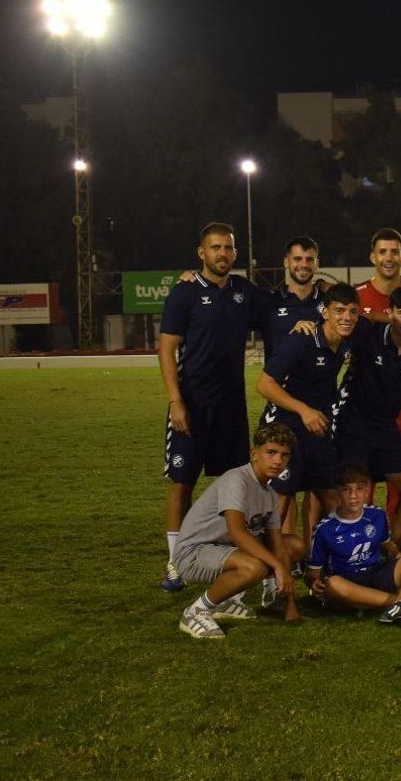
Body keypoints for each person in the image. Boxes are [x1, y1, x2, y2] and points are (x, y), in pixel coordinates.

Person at [157, 222, 266, 591]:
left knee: (234, 486)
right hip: (191, 405)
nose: (223, 253)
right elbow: (166, 348)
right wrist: (176, 401)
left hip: (231, 408)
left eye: (228, 248)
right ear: (201, 252)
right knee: (182, 483)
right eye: (215, 247)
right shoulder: (184, 292)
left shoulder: (243, 292)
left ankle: (224, 557)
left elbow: (280, 308)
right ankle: (175, 564)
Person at [175, 424, 307, 639]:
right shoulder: (237, 479)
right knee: (254, 567)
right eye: (271, 452)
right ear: (254, 454)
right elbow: (237, 532)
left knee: (293, 545)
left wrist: (290, 605)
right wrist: (278, 567)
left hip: (225, 549)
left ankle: (238, 601)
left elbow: (278, 545)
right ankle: (196, 611)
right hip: (194, 553)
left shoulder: (270, 494)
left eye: (284, 455)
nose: (278, 461)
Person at [256, 283, 362, 536]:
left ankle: (325, 553)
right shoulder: (301, 339)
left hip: (316, 427)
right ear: (325, 312)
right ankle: (266, 559)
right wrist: (304, 410)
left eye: (352, 311)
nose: (346, 317)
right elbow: (264, 385)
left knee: (330, 495)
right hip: (284, 426)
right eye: (339, 311)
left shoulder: (348, 339)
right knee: (282, 497)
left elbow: (382, 318)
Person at [333, 285, 401, 548]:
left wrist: (386, 407)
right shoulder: (369, 334)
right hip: (352, 425)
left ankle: (389, 551)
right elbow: (348, 318)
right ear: (390, 313)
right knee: (352, 491)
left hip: (385, 427)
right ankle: (349, 552)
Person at [305, 464, 401, 628]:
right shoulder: (325, 529)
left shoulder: (377, 515)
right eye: (346, 490)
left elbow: (387, 546)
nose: (353, 495)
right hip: (347, 583)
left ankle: (400, 605)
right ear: (337, 493)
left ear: (367, 491)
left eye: (359, 489)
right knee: (333, 584)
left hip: (376, 574)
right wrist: (314, 583)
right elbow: (311, 574)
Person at [353, 228, 401, 509]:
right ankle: (363, 536)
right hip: (363, 409)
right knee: (362, 484)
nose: (389, 258)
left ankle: (396, 539)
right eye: (382, 251)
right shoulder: (357, 296)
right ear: (372, 256)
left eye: (394, 252)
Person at [259, 235, 326, 357]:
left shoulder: (329, 303)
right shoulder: (269, 303)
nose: (304, 264)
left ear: (317, 264)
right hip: (278, 370)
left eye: (309, 259)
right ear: (286, 262)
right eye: (297, 259)